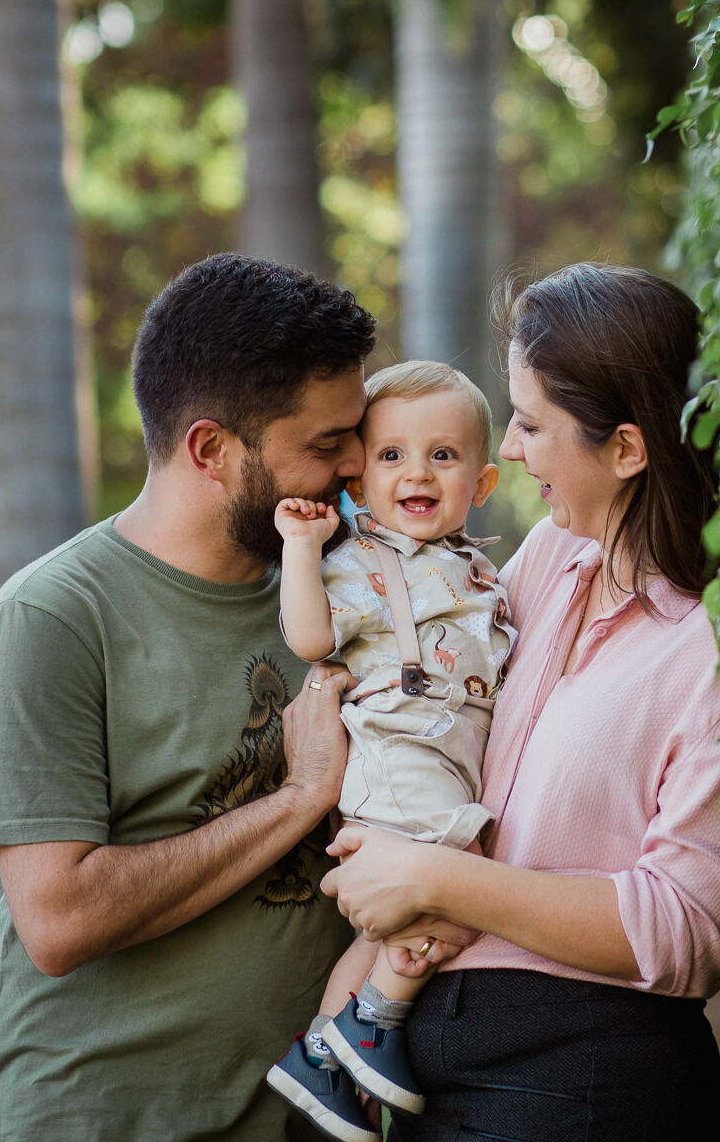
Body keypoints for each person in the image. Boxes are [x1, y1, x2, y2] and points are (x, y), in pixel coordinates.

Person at [319, 263, 720, 1140]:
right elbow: (441, 682)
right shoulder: (551, 563)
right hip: (433, 1062)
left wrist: (439, 877)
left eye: (529, 423)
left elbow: (690, 929)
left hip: (579, 1084)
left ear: (627, 449)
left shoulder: (717, 650)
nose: (508, 450)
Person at [0, 253, 378, 1141]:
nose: (357, 468)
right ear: (212, 450)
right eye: (325, 444)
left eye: (357, 433)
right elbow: (57, 919)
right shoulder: (53, 618)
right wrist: (301, 797)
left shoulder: (347, 590)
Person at [263, 362, 514, 1142]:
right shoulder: (362, 563)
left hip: (443, 763)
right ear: (359, 480)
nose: (417, 472)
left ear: (483, 481)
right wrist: (302, 549)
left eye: (443, 456)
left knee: (384, 930)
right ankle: (373, 1023)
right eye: (392, 455)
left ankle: (321, 1056)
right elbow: (309, 637)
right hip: (396, 761)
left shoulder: (479, 571)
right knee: (458, 898)